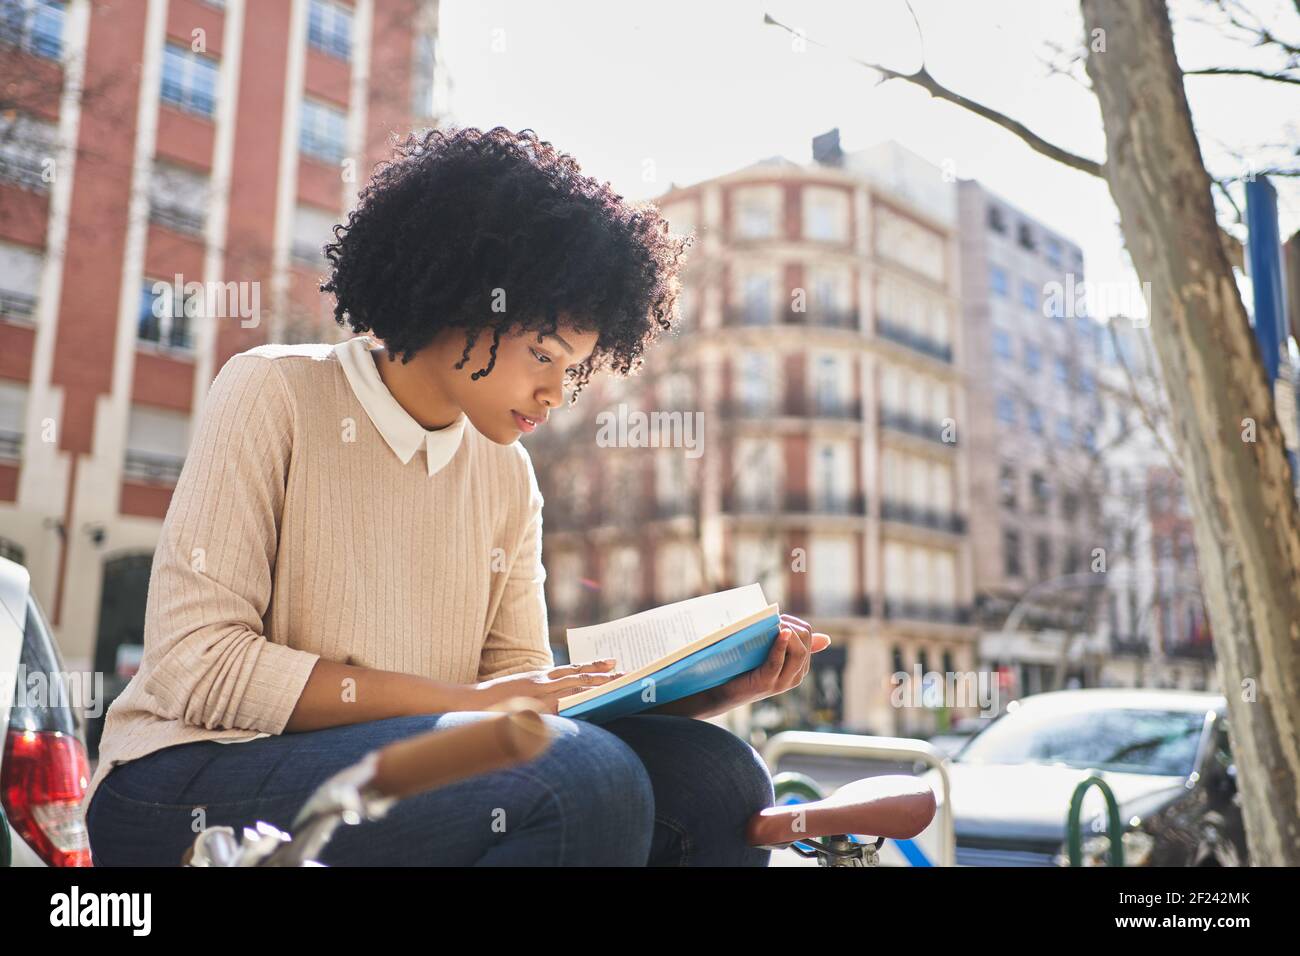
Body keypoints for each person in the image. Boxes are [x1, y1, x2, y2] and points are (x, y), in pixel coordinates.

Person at [84, 126, 831, 866]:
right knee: (579, 778)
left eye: (575, 371)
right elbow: (200, 669)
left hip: (394, 776)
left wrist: (710, 692)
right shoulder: (273, 390)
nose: (556, 392)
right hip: (186, 781)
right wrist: (471, 704)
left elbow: (535, 704)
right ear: (460, 298)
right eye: (543, 355)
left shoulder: (507, 476)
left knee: (720, 781)